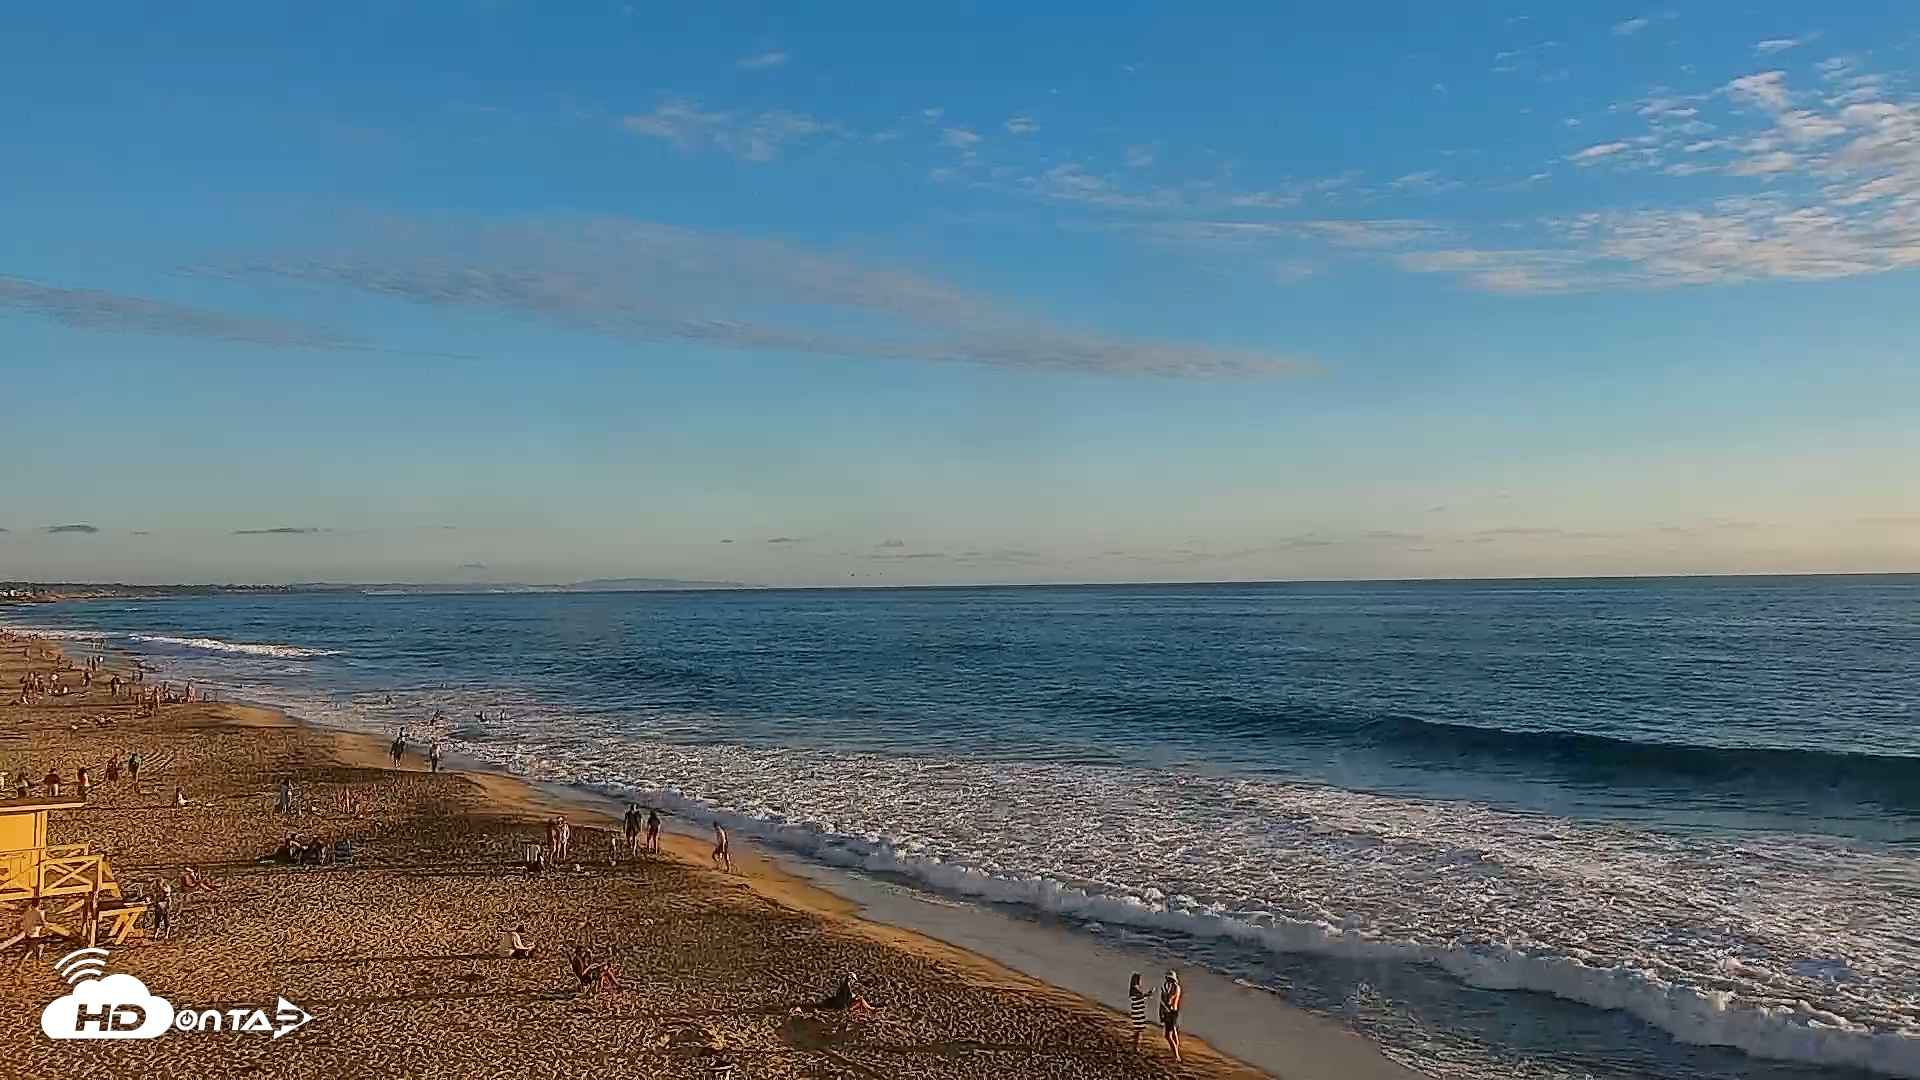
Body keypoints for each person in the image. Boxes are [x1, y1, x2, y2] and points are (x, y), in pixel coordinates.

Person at [14, 899, 47, 968]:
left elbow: (18, 921)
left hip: (28, 935)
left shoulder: (27, 913)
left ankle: (21, 966)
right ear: (40, 905)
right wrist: (41, 924)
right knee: (39, 947)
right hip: (34, 936)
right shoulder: (40, 913)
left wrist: (18, 929)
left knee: (30, 951)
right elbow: (44, 924)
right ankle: (37, 961)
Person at [1159, 971, 1184, 1062]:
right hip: (1173, 1011)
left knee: (1168, 1035)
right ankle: (1176, 1052)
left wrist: (1164, 994)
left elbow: (1169, 1001)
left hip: (1170, 1012)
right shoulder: (1176, 987)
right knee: (1173, 1032)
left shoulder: (1174, 987)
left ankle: (1176, 1055)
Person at [1128, 973, 1151, 1049]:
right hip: (1137, 1012)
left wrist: (1147, 995)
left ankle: (1135, 1045)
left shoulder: (1134, 989)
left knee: (1138, 1030)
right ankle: (1136, 1047)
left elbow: (1141, 997)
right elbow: (1141, 996)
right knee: (1139, 1030)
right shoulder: (1135, 989)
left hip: (1138, 1011)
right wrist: (1147, 994)